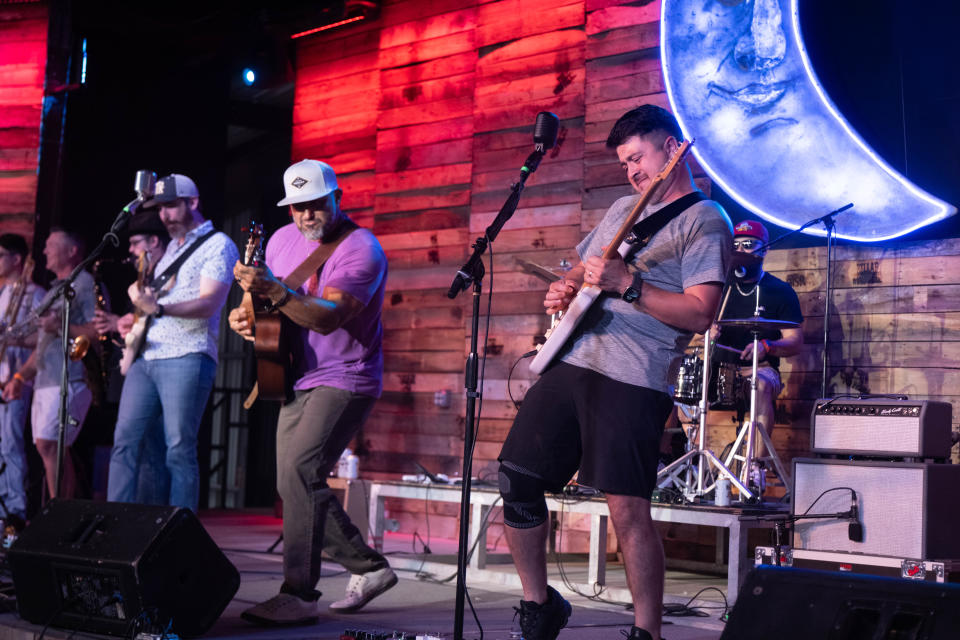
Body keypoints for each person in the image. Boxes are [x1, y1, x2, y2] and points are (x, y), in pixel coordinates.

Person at [497, 105, 733, 640]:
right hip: (573, 360)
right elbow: (585, 267)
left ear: (672, 149)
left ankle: (646, 631)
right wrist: (564, 286)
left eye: (638, 157)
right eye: (625, 162)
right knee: (517, 479)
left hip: (635, 376)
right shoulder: (624, 208)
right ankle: (540, 605)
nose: (632, 171)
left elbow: (700, 313)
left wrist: (629, 285)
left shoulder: (705, 220)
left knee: (626, 510)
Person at [229, 159, 396, 626]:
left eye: (316, 205)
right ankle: (370, 568)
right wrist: (242, 315)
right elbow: (257, 298)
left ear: (336, 199)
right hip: (293, 374)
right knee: (292, 481)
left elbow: (328, 317)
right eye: (298, 207)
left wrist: (276, 294)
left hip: (348, 376)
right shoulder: (281, 240)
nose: (306, 216)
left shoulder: (362, 249)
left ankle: (299, 594)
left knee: (301, 470)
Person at [106, 174, 238, 511]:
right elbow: (154, 306)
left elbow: (210, 303)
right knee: (125, 442)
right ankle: (115, 523)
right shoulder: (169, 252)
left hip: (187, 356)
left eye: (170, 207)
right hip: (146, 358)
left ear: (192, 203)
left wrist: (160, 308)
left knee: (178, 448)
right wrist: (133, 318)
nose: (164, 216)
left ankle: (182, 531)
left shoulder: (218, 245)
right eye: (160, 208)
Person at [2, 229, 98, 500]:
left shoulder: (84, 284)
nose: (44, 251)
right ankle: (58, 513)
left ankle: (60, 514)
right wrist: (20, 376)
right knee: (50, 449)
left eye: (51, 245)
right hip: (46, 379)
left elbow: (97, 331)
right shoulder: (55, 291)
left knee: (50, 445)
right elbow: (44, 343)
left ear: (72, 252)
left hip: (72, 377)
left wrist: (61, 326)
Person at [93, 209, 172, 504]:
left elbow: (163, 318)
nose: (130, 250)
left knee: (154, 450)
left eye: (135, 242)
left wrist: (119, 322)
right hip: (139, 365)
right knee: (128, 444)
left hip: (163, 366)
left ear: (153, 241)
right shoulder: (146, 277)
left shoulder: (168, 273)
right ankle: (120, 515)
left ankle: (148, 521)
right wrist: (121, 325)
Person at [713, 219, 803, 459]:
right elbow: (694, 323)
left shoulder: (780, 290)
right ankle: (677, 457)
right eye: (736, 245)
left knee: (760, 386)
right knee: (673, 383)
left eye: (749, 244)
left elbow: (795, 341)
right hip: (719, 368)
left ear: (765, 248)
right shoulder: (718, 287)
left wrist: (768, 346)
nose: (741, 250)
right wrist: (706, 330)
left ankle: (756, 466)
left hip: (760, 369)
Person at [0, 234, 45, 522]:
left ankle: (15, 511)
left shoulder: (35, 293)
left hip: (17, 377)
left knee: (12, 444)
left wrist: (10, 336)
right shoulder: (2, 293)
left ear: (16, 259)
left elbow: (43, 340)